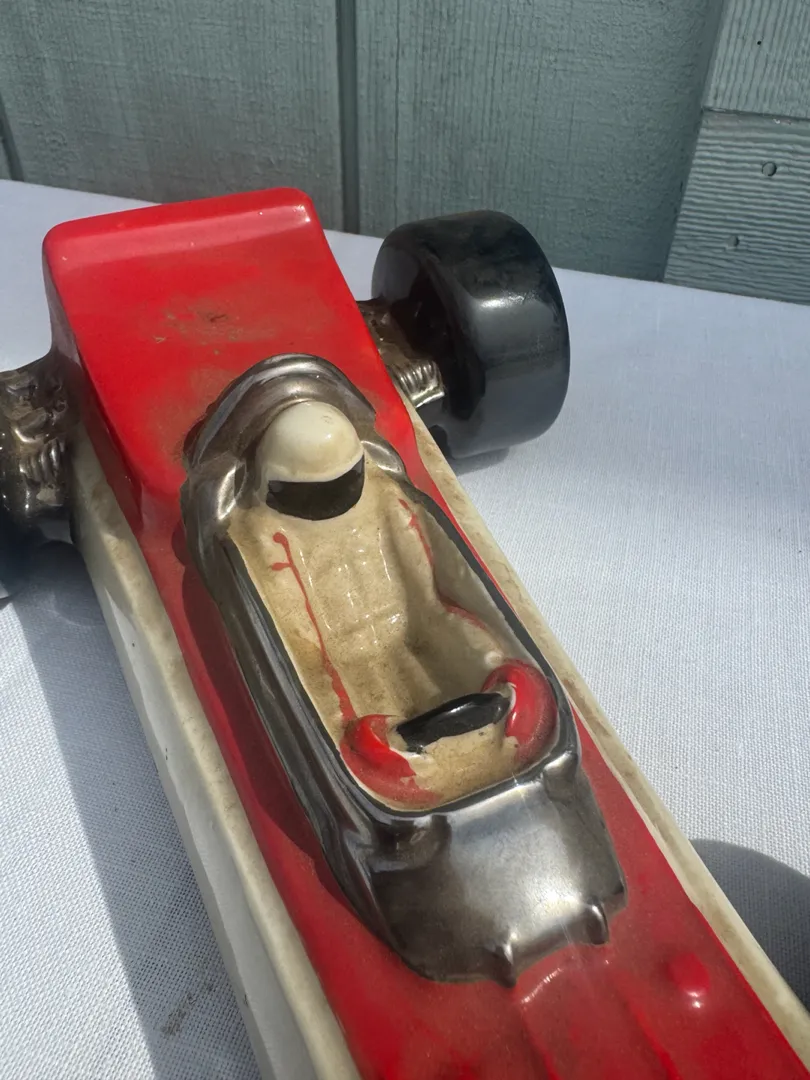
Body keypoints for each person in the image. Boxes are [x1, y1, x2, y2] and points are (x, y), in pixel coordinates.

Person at [228, 400, 555, 808]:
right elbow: (304, 647)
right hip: (338, 665)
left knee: (474, 654)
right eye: (315, 487)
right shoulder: (270, 535)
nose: (329, 496)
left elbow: (429, 602)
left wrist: (489, 663)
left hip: (417, 632)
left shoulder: (386, 499)